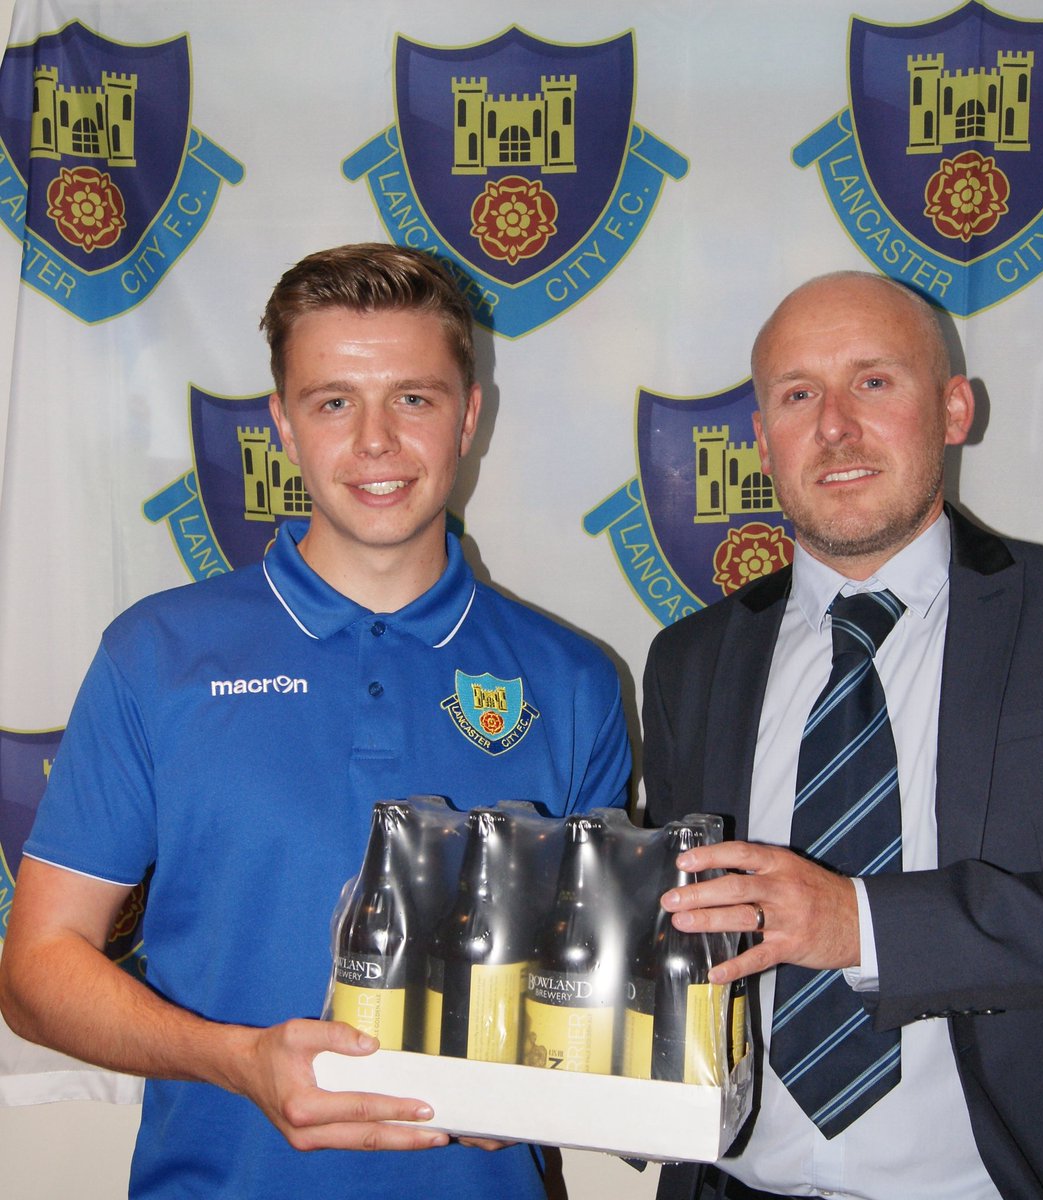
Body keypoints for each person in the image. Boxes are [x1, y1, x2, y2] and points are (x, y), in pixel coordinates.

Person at [0, 243, 631, 1198]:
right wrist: (239, 1062)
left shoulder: (576, 678)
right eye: (334, 401)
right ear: (283, 427)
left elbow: (595, 992)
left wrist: (559, 1082)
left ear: (468, 416)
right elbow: (35, 974)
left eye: (413, 398)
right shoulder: (157, 655)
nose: (375, 441)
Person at [642, 271, 1043, 1200]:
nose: (835, 425)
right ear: (762, 440)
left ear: (955, 408)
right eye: (798, 394)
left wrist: (865, 926)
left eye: (875, 381)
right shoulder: (691, 660)